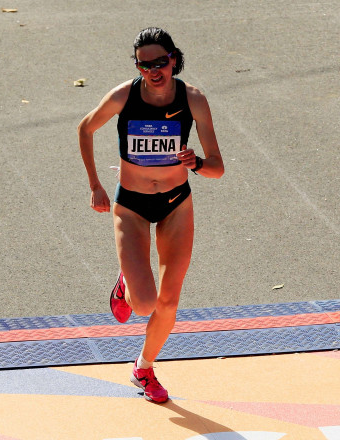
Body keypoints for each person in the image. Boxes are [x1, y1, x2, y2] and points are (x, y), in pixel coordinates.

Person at [77, 27, 225, 403]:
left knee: (169, 301)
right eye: (145, 65)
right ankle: (126, 284)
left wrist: (198, 163)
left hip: (177, 203)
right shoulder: (123, 96)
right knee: (144, 304)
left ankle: (143, 368)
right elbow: (86, 127)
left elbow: (217, 168)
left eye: (160, 63)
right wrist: (95, 185)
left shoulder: (193, 99)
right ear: (138, 67)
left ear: (174, 59)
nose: (154, 71)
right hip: (132, 205)